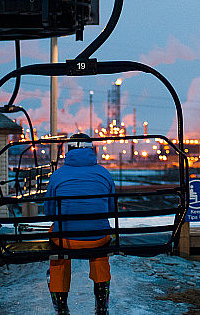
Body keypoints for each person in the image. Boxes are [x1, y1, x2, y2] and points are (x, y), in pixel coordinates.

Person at [44, 133, 115, 315]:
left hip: (65, 241)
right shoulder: (104, 173)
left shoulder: (57, 175)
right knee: (100, 248)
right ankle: (102, 305)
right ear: (91, 149)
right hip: (97, 239)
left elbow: (49, 212)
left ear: (68, 150)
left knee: (58, 250)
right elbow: (111, 210)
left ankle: (61, 307)